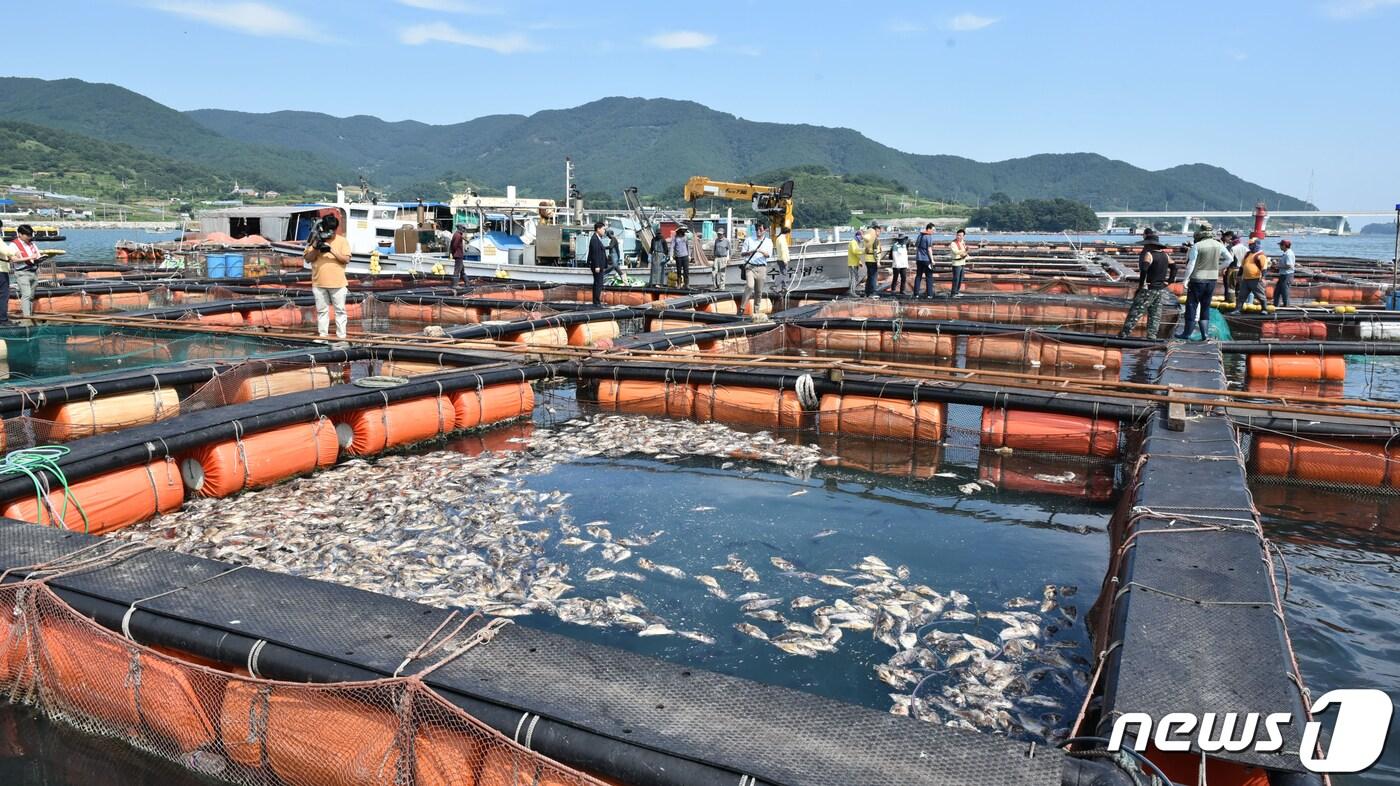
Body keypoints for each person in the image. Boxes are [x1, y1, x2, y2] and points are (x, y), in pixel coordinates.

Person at [1117, 231, 1177, 338]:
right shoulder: (1165, 255)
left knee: (1136, 312)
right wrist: (1169, 281)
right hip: (1160, 289)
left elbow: (1144, 270)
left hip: (1149, 287)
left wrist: (1141, 285)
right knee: (1155, 314)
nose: (1145, 246)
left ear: (1150, 245)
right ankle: (1152, 336)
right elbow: (1174, 268)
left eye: (1146, 244)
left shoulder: (1149, 254)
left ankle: (1124, 334)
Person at [302, 215, 351, 339]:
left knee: (340, 311)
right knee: (322, 311)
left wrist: (331, 250)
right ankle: (323, 336)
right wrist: (316, 249)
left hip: (338, 284)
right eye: (328, 230)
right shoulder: (315, 240)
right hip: (319, 283)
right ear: (323, 228)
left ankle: (341, 336)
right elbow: (307, 259)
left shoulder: (342, 241)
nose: (330, 233)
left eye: (333, 230)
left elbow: (346, 259)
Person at [1177, 228, 1227, 340]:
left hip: (1197, 279)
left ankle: (1187, 333)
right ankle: (1205, 334)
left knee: (1192, 305)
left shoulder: (1197, 246)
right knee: (1205, 306)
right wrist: (1217, 268)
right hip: (1212, 280)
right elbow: (1229, 259)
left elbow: (1191, 264)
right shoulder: (1218, 245)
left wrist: (1185, 279)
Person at [737, 223, 772, 318]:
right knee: (750, 285)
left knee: (759, 291)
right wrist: (750, 252)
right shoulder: (749, 239)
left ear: (765, 230)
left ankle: (756, 311)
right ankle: (742, 308)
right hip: (750, 267)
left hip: (762, 268)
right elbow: (742, 253)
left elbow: (769, 255)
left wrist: (760, 250)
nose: (758, 231)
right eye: (757, 229)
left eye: (760, 229)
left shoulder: (768, 241)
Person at [1232, 239, 1268, 312]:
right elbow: (1242, 266)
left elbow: (1264, 268)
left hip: (1256, 279)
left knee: (1260, 295)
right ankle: (1237, 310)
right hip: (1245, 279)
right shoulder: (1247, 254)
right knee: (1241, 296)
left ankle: (1264, 309)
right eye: (1249, 244)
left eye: (1252, 244)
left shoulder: (1261, 255)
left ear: (1256, 244)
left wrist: (1263, 277)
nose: (1250, 246)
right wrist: (1239, 275)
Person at [587, 221, 609, 305]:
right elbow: (595, 253)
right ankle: (596, 302)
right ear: (598, 229)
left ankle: (596, 301)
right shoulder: (594, 239)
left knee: (599, 283)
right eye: (603, 229)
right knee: (598, 283)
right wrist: (596, 266)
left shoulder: (597, 238)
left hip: (600, 265)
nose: (604, 231)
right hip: (598, 266)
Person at [1220, 231, 1244, 303]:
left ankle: (1229, 300)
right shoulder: (1243, 248)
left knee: (1229, 285)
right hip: (1240, 269)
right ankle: (1238, 300)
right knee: (1238, 286)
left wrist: (1224, 268)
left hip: (1231, 268)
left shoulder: (1229, 247)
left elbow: (1228, 259)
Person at [912, 223, 935, 298]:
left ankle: (916, 294)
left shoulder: (920, 235)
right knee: (929, 276)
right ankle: (929, 294)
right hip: (926, 259)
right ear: (928, 229)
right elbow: (929, 249)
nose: (934, 231)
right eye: (933, 230)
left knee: (918, 276)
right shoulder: (929, 236)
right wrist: (932, 260)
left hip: (919, 259)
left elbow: (916, 247)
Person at [1272, 239, 1296, 307]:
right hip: (1283, 275)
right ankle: (1276, 305)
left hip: (1287, 276)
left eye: (1281, 245)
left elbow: (1289, 265)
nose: (1280, 246)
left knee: (1285, 292)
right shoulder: (1286, 253)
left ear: (1284, 246)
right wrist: (1277, 264)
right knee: (1277, 291)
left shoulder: (1289, 254)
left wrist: (1277, 266)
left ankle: (1287, 307)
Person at [947, 228, 969, 296]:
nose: (958, 237)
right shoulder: (953, 243)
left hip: (962, 262)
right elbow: (955, 252)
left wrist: (967, 255)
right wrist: (964, 251)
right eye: (958, 235)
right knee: (956, 278)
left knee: (961, 279)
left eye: (960, 235)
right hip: (956, 263)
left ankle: (957, 291)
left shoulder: (963, 242)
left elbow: (965, 251)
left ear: (963, 236)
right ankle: (953, 293)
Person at [448, 224, 468, 288]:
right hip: (458, 255)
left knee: (462, 269)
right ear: (460, 228)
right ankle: (455, 285)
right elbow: (454, 246)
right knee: (457, 269)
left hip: (458, 254)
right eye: (463, 228)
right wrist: (454, 253)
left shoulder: (457, 235)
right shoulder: (457, 235)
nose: (464, 230)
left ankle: (467, 282)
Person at [0, 219, 11, 324]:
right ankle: (2, 319)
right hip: (1, 271)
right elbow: (6, 251)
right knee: (3, 295)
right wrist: (17, 252)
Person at [846, 230, 863, 296]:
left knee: (855, 278)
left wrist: (859, 261)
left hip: (855, 263)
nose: (862, 237)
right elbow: (855, 251)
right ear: (858, 235)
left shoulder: (856, 242)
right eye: (861, 236)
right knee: (853, 278)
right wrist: (864, 250)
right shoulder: (853, 242)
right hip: (852, 263)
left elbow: (856, 254)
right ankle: (852, 292)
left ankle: (852, 291)